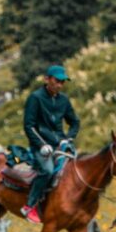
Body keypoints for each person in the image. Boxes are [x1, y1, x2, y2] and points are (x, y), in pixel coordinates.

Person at [20, 65, 80, 223]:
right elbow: (29, 126)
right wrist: (40, 145)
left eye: (62, 82)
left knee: (78, 168)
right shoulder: (35, 98)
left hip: (60, 144)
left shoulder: (64, 100)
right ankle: (29, 206)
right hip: (42, 146)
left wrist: (69, 138)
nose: (59, 85)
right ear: (47, 79)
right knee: (46, 170)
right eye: (57, 81)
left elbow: (74, 122)